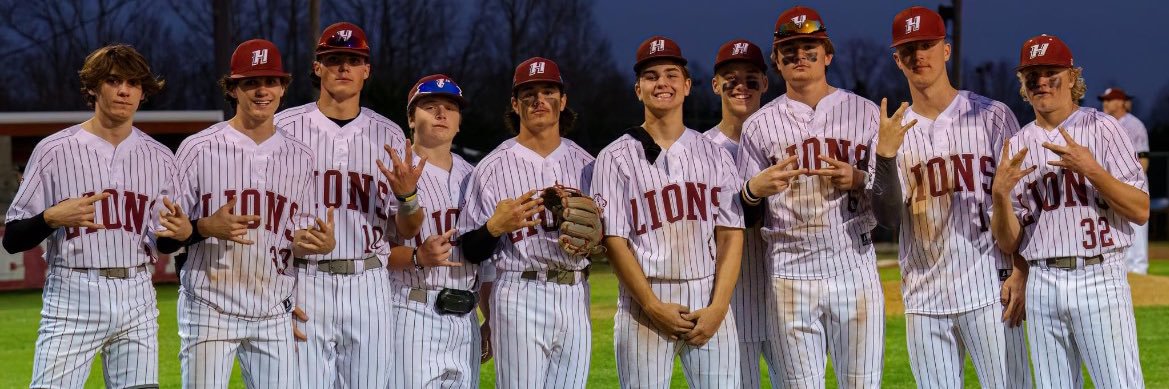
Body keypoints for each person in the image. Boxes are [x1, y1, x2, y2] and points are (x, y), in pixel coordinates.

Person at [873, 6, 1031, 388]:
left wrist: (1022, 271)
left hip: (991, 287)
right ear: (898, 60)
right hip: (924, 297)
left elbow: (1025, 203)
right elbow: (888, 217)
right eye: (909, 50)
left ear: (946, 49)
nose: (919, 56)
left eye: (927, 45)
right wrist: (885, 155)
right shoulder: (891, 131)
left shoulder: (993, 116)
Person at [3, 43, 174, 389]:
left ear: (143, 93)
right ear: (93, 88)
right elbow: (12, 238)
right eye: (113, 81)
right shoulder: (54, 151)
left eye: (134, 83)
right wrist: (50, 217)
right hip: (73, 291)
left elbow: (165, 240)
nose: (124, 90)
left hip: (137, 291)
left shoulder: (161, 158)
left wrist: (184, 231)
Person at [174, 38, 336, 388]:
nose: (262, 91)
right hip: (209, 306)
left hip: (272, 313)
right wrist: (203, 226)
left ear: (282, 88)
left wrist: (317, 244)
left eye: (270, 82)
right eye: (250, 82)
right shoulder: (197, 148)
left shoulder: (301, 157)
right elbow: (163, 235)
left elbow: (296, 238)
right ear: (232, 89)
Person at [737, 6, 885, 387]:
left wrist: (859, 178)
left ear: (827, 55)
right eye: (789, 50)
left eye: (809, 47)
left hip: (853, 261)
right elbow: (742, 212)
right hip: (788, 270)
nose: (799, 56)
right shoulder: (757, 125)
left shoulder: (864, 112)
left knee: (862, 383)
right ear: (776, 61)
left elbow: (889, 198)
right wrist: (755, 190)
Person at [991, 34, 1147, 388]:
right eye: (1032, 75)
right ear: (1023, 84)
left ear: (1073, 77)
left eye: (1051, 72)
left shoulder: (1104, 128)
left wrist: (1092, 170)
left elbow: (1140, 209)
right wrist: (1000, 196)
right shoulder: (1016, 144)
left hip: (1098, 275)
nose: (1041, 81)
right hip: (1043, 282)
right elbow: (1009, 241)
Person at [273, 22, 423, 388]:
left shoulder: (388, 134)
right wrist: (278, 296)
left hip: (369, 280)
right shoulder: (282, 128)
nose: (343, 67)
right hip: (305, 278)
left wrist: (408, 197)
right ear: (317, 67)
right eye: (334, 59)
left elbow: (408, 229)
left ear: (366, 70)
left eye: (353, 60)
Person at [595, 35, 745, 388]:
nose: (662, 83)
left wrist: (719, 307)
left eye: (671, 74)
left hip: (708, 296)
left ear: (688, 85)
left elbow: (731, 234)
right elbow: (615, 242)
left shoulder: (715, 155)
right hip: (644, 301)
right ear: (638, 90)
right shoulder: (614, 157)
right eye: (651, 76)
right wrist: (651, 305)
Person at [455, 57, 596, 389]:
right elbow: (470, 249)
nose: (539, 100)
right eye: (528, 93)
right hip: (519, 292)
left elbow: (607, 239)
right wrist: (494, 228)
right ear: (515, 105)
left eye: (548, 91)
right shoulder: (490, 167)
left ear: (563, 102)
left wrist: (598, 241)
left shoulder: (588, 165)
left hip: (575, 290)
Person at [385, 74, 486, 388]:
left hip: (466, 316)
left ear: (458, 123)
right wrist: (416, 256)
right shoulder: (395, 170)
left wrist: (491, 320)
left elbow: (486, 259)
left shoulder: (476, 176)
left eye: (450, 108)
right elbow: (373, 252)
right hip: (414, 311)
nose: (442, 114)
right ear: (411, 119)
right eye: (430, 106)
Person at [702, 38, 776, 389]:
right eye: (730, 79)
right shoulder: (699, 151)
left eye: (751, 78)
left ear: (764, 83)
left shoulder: (784, 139)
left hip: (786, 294)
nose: (741, 86)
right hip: (730, 303)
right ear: (716, 85)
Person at [1099, 87, 1151, 274]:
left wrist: (1135, 183)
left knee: (1137, 228)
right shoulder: (1102, 123)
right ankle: (1121, 268)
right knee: (1113, 225)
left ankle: (1138, 269)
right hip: (1109, 183)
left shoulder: (1134, 125)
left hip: (1131, 182)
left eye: (1110, 99)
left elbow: (1143, 157)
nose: (1105, 103)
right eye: (1104, 99)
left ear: (1121, 102)